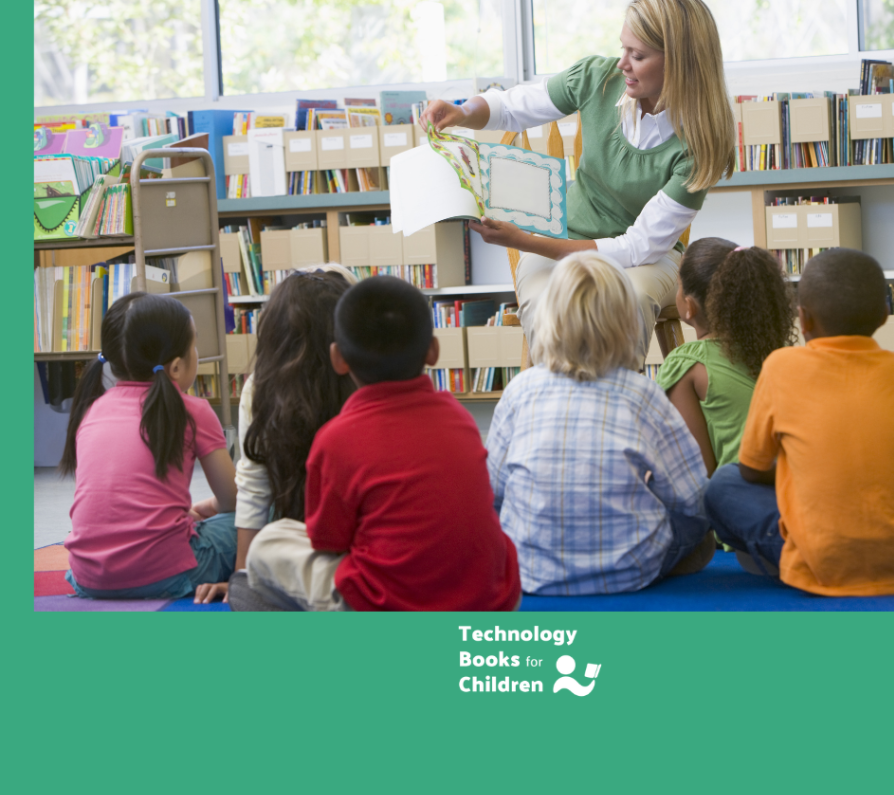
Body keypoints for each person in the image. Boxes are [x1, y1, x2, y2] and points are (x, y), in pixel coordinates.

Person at [418, 0, 736, 356]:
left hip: (647, 257)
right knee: (544, 303)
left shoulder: (698, 147)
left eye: (638, 55)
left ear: (680, 64)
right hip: (562, 235)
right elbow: (515, 106)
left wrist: (523, 241)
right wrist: (464, 111)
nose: (622, 64)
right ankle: (557, 405)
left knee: (626, 301)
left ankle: (615, 405)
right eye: (623, 50)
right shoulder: (597, 78)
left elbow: (637, 247)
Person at [703, 248, 894, 596]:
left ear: (803, 318)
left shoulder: (780, 366)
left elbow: (750, 470)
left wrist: (803, 471)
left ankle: (784, 560)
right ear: (885, 315)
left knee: (723, 483)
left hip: (818, 561)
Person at [243, 275, 520, 611]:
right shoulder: (460, 418)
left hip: (388, 607)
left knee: (270, 542)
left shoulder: (335, 440)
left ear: (338, 359)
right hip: (491, 600)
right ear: (433, 351)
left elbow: (329, 542)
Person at [486, 252, 712, 595]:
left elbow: (494, 493)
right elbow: (690, 497)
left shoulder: (519, 391)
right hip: (628, 571)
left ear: (548, 319)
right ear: (629, 323)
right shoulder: (643, 395)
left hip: (532, 572)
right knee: (699, 539)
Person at [192, 266, 357, 607]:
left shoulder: (261, 386)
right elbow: (253, 488)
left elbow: (254, 490)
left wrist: (243, 582)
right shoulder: (364, 375)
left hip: (336, 546)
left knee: (264, 541)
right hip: (363, 551)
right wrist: (242, 580)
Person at [61, 294, 237, 600]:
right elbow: (236, 501)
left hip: (88, 577)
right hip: (170, 572)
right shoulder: (194, 410)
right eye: (194, 345)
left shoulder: (93, 410)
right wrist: (207, 508)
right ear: (177, 367)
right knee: (268, 507)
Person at [658, 239, 796, 476]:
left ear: (689, 306)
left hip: (744, 499)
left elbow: (697, 473)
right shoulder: (783, 353)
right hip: (798, 493)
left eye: (678, 285)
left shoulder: (687, 364)